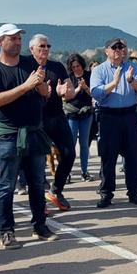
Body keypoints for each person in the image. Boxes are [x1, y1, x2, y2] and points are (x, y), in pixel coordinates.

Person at [0, 24, 59, 250]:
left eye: (18, 38)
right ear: (0, 42)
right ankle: (6, 231)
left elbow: (43, 92)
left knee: (37, 183)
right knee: (6, 185)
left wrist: (43, 86)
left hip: (33, 131)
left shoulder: (29, 63)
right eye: (13, 38)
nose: (17, 42)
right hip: (9, 134)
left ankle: (40, 226)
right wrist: (26, 86)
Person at [90, 37, 137, 208]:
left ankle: (134, 192)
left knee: (133, 155)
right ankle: (106, 193)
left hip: (130, 115)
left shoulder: (132, 67)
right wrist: (114, 83)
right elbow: (95, 92)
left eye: (121, 47)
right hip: (109, 116)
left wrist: (131, 81)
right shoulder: (99, 70)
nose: (118, 50)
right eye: (114, 48)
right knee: (108, 156)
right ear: (106, 51)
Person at [28, 34, 74, 212]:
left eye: (48, 46)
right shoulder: (26, 65)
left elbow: (69, 92)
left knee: (69, 153)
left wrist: (65, 92)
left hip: (57, 116)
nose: (46, 49)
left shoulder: (57, 66)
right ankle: (39, 199)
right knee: (38, 160)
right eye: (42, 46)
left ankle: (56, 190)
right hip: (36, 119)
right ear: (32, 49)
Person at [63, 54, 93, 182]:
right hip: (72, 114)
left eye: (78, 66)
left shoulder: (89, 76)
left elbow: (94, 93)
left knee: (84, 144)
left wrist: (85, 87)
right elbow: (66, 97)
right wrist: (78, 88)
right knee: (71, 144)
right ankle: (67, 172)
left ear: (82, 65)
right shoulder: (68, 78)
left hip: (86, 113)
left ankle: (84, 171)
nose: (76, 69)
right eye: (73, 67)